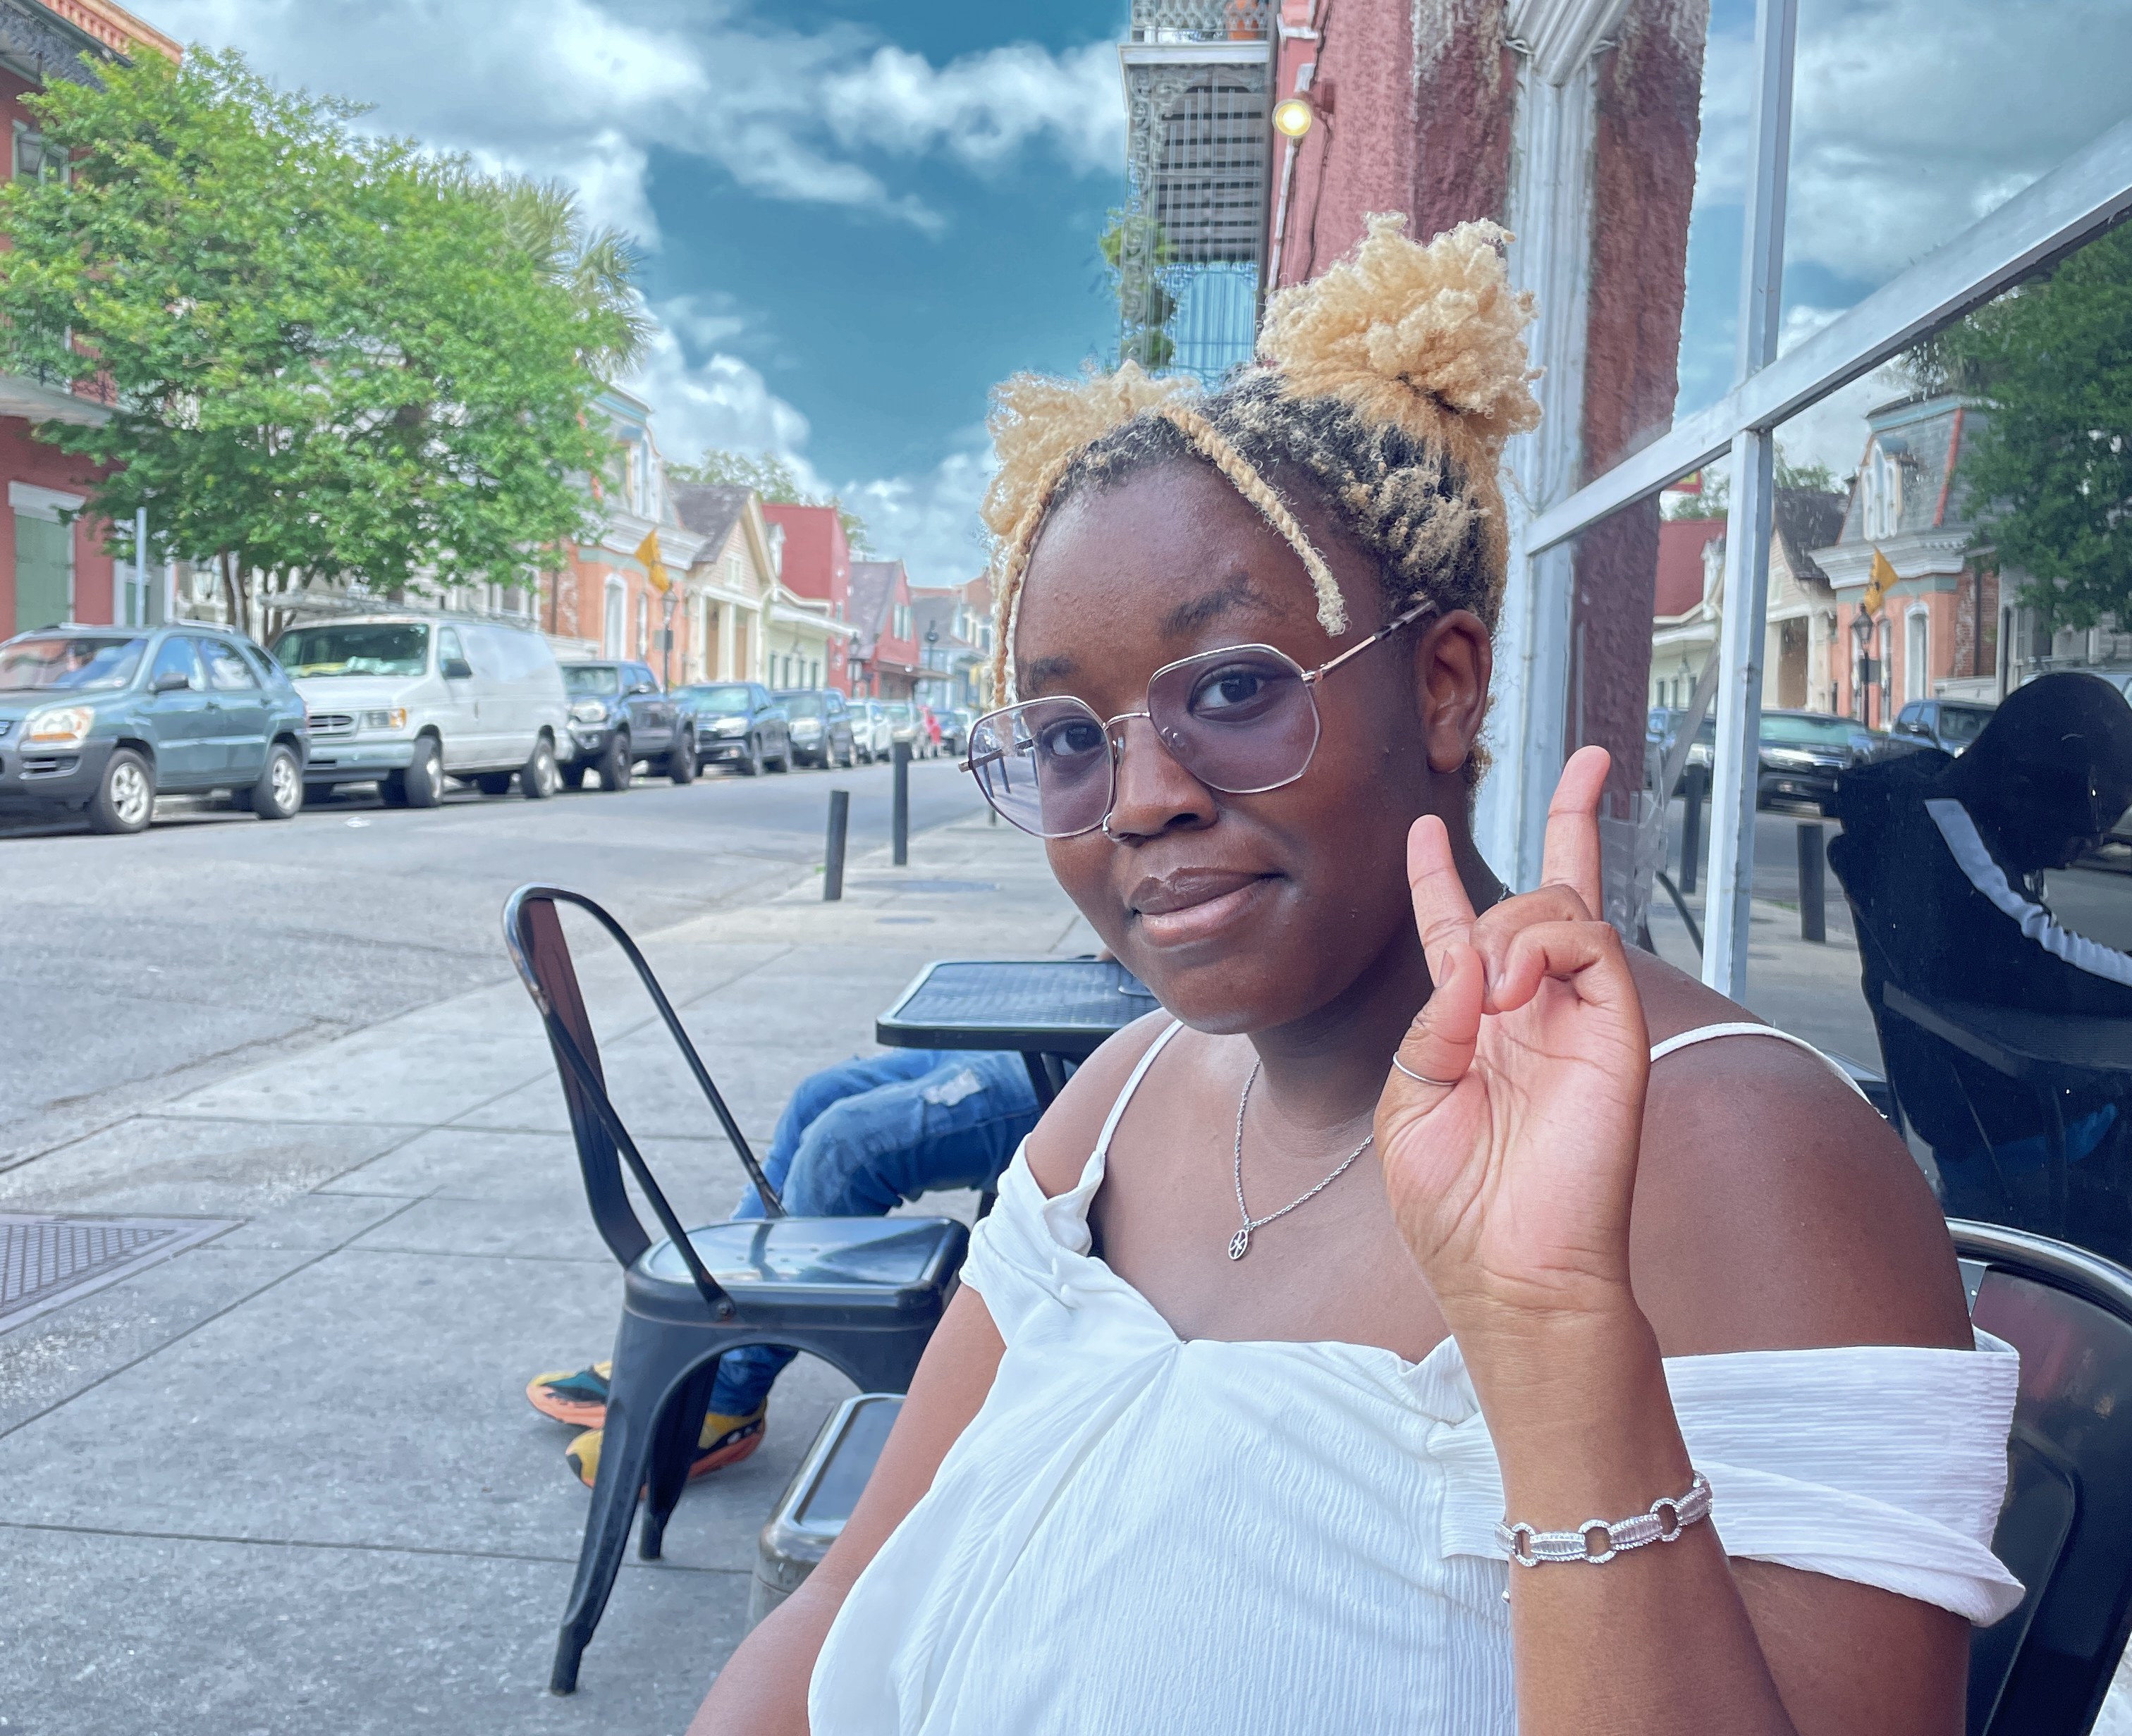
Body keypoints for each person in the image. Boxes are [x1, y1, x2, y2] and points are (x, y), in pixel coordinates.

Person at [693, 216, 2018, 1735]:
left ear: (1444, 682)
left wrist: (1550, 1334)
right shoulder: (1114, 1114)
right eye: (1068, 735)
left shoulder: (1737, 1156)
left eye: (1236, 688)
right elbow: (841, 1598)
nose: (1140, 798)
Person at [526, 1047, 1041, 1486]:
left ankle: (726, 1389)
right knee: (818, 1097)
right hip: (1073, 1031)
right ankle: (706, 1341)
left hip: (1096, 1066)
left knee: (845, 1143)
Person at [1831, 671, 2132, 1252]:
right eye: (2086, 829)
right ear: (2021, 788)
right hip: (2046, 1156)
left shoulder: (1933, 818)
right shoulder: (1944, 830)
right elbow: (2040, 952)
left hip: (2009, 1140)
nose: (2087, 848)